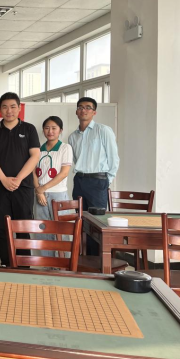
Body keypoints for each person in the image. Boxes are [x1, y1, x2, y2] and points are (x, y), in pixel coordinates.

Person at [0, 92, 40, 266]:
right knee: (2, 228)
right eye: (5, 107)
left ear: (19, 108)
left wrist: (18, 179)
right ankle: (6, 264)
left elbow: (35, 155)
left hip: (23, 187)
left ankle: (24, 266)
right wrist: (3, 179)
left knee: (23, 228)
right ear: (0, 109)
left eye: (13, 107)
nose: (9, 111)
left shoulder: (29, 129)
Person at [68, 97, 119, 255]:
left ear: (94, 112)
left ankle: (99, 260)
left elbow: (113, 158)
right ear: (76, 111)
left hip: (98, 181)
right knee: (81, 220)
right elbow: (76, 160)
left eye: (88, 107)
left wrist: (106, 181)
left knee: (98, 222)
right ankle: (84, 259)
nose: (84, 110)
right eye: (80, 107)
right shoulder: (72, 137)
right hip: (79, 181)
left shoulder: (103, 130)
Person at [32, 116, 74, 257]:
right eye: (47, 128)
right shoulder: (38, 149)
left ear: (60, 130)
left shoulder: (65, 148)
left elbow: (64, 173)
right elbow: (33, 171)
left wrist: (42, 189)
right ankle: (47, 264)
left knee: (62, 231)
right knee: (42, 230)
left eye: (54, 128)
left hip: (58, 195)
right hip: (40, 195)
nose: (50, 131)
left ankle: (65, 264)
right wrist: (39, 191)